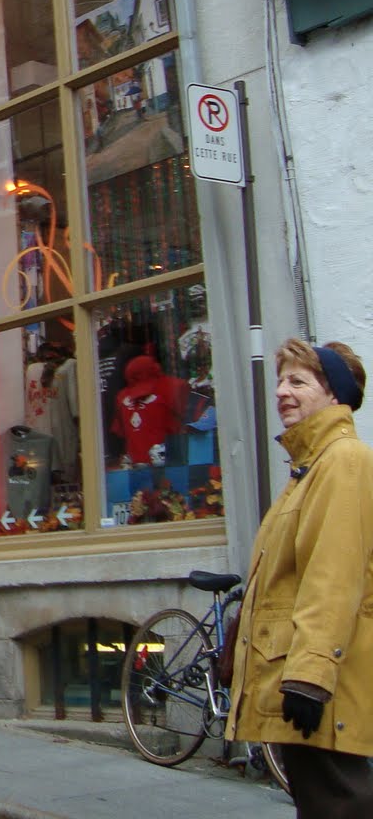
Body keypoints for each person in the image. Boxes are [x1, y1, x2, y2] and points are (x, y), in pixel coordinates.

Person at [228, 339, 373, 818]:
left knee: (339, 805)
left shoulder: (343, 462)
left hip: (325, 681)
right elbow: (279, 580)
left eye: (298, 381)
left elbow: (333, 577)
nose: (281, 392)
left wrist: (310, 677)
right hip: (300, 674)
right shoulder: (308, 469)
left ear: (335, 397)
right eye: (279, 380)